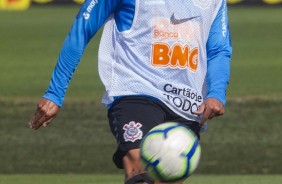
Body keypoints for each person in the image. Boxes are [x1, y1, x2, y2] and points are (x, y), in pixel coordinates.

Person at [29, 0, 232, 183]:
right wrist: (55, 93)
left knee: (166, 178)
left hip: (187, 103)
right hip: (135, 89)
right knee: (139, 167)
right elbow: (82, 28)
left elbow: (219, 49)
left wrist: (216, 93)